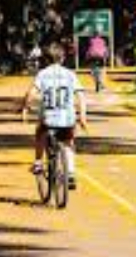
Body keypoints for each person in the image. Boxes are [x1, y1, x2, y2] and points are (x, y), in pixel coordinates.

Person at [21, 42, 88, 189]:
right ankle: (70, 173)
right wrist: (82, 117)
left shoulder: (42, 74)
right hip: (67, 118)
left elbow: (31, 93)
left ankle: (38, 162)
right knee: (69, 142)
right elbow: (81, 96)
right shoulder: (70, 74)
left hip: (49, 118)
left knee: (40, 132)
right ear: (62, 58)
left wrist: (25, 108)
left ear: (46, 59)